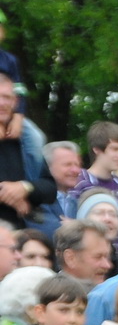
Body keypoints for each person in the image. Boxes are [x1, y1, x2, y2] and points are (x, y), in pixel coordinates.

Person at [0, 77, 58, 228]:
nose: (2, 103)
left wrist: (24, 188)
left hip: (23, 234)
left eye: (7, 97)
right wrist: (9, 195)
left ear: (15, 102)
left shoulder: (24, 141)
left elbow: (50, 188)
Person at [54, 219, 113, 288]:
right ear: (70, 258)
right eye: (98, 257)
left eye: (107, 257)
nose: (107, 265)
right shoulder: (52, 296)